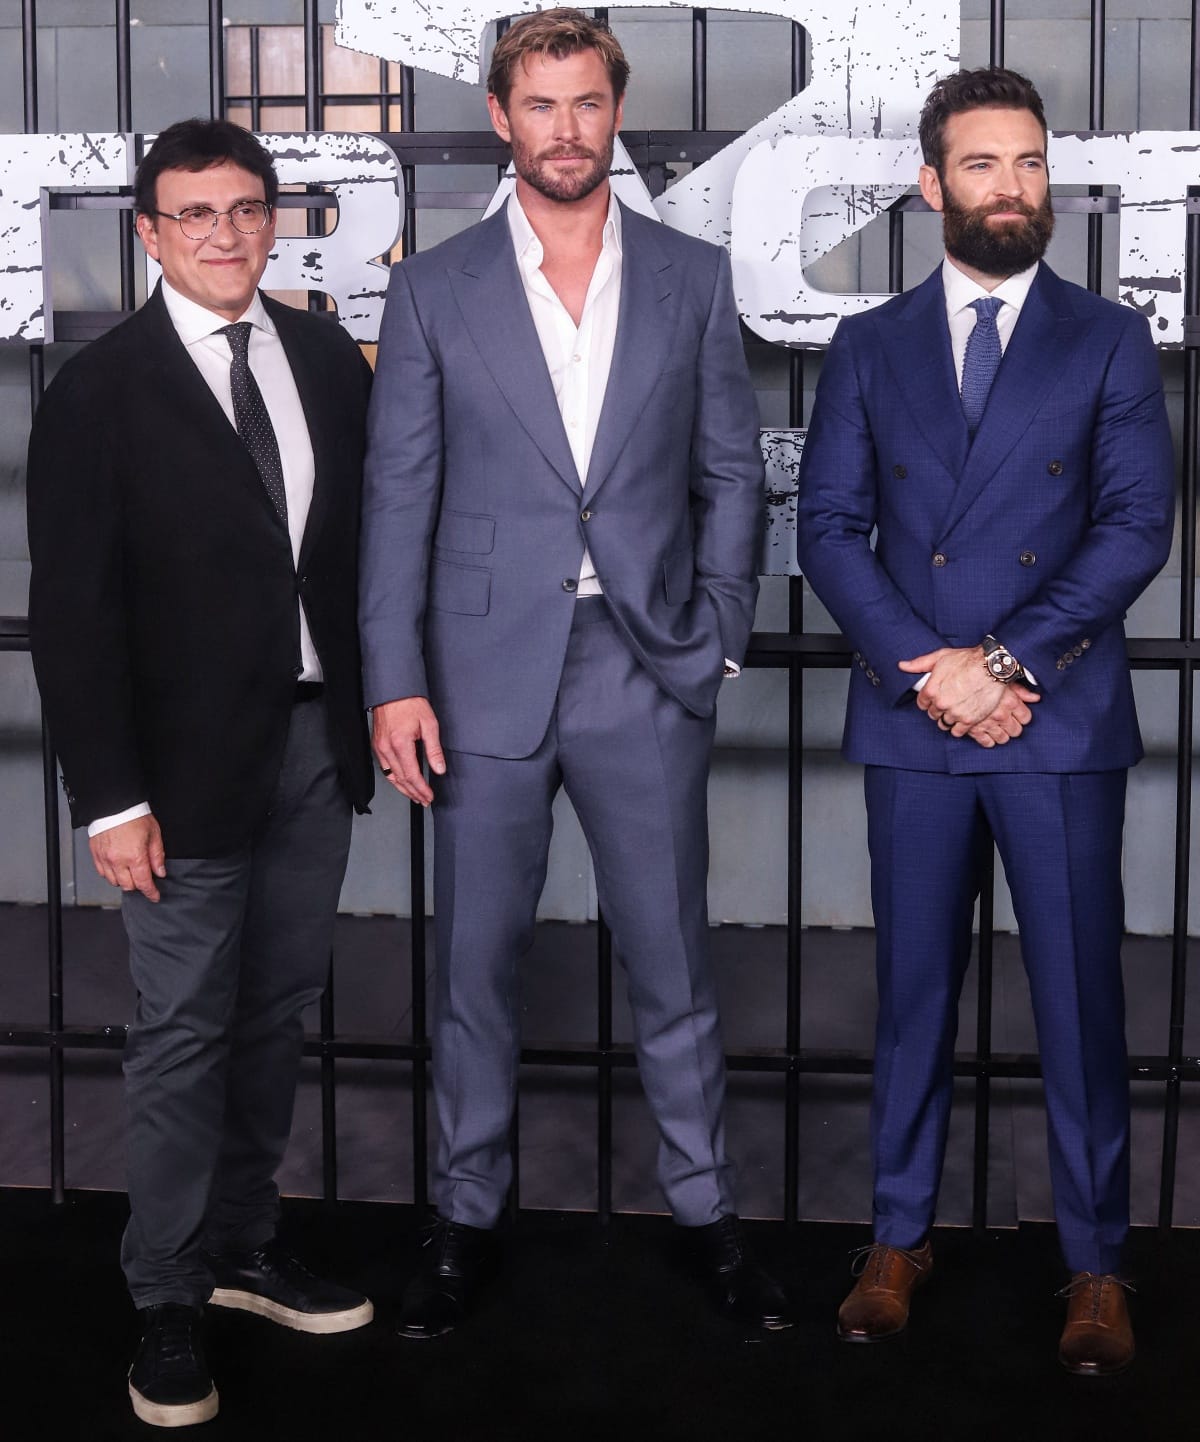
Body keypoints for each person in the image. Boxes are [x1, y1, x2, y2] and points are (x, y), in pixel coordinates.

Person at [360, 8, 789, 1338]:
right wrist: (393, 678)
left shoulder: (689, 276)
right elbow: (397, 498)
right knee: (475, 973)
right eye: (538, 105)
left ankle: (710, 1210)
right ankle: (465, 1216)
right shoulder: (435, 287)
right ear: (502, 117)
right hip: (479, 674)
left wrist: (716, 627)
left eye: (587, 103)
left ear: (617, 112)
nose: (564, 128)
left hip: (644, 665)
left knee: (672, 964)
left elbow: (733, 472)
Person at [796, 66, 1174, 1375]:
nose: (1010, 187)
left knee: (1078, 999)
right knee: (910, 993)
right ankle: (898, 1236)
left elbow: (1137, 527)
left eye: (1028, 165)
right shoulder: (867, 345)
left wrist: (1002, 658)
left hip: (1054, 713)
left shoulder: (1110, 339)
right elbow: (830, 532)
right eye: (982, 165)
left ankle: (1095, 1261)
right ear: (930, 183)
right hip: (916, 720)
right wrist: (928, 667)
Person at [26, 119, 375, 1427]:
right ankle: (165, 1289)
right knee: (180, 1029)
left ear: (272, 218)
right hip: (170, 775)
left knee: (276, 1010)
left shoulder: (329, 360)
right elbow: (74, 612)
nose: (223, 233)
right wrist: (108, 795)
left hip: (307, 744)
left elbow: (349, 558)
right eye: (194, 215)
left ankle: (240, 1241)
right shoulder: (98, 391)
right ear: (149, 233)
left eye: (244, 208)